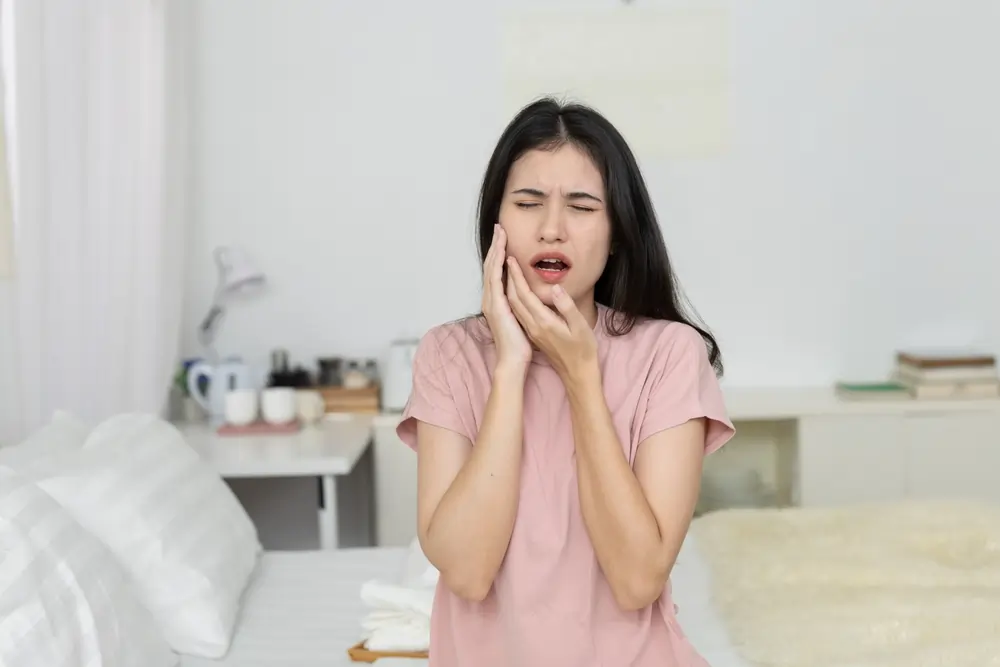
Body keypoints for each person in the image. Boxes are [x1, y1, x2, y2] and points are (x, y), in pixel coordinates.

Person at [395, 97, 735, 667]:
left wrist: (580, 374)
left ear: (617, 231)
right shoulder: (448, 354)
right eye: (528, 203)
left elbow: (637, 580)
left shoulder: (669, 354)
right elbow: (468, 572)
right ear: (497, 224)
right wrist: (510, 366)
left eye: (581, 207)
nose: (551, 229)